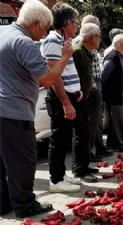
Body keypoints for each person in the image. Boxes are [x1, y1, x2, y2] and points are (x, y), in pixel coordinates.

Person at [0, 0, 72, 217]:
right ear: (34, 22)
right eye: (43, 28)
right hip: (15, 111)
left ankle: (3, 204)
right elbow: (49, 79)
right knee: (23, 160)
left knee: (3, 162)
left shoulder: (3, 32)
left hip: (2, 109)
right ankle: (25, 205)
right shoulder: (24, 43)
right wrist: (65, 57)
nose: (43, 35)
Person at [41, 2, 96, 190]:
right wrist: (66, 103)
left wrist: (78, 90)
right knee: (58, 139)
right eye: (74, 22)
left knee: (66, 138)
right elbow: (55, 76)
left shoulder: (64, 42)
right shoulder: (52, 41)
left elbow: (67, 71)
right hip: (60, 98)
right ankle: (56, 180)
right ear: (65, 23)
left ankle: (62, 175)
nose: (76, 26)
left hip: (73, 96)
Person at [78, 15, 113, 163]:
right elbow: (84, 71)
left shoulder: (91, 47)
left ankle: (95, 148)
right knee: (88, 122)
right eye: (98, 34)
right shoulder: (80, 46)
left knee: (97, 121)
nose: (99, 37)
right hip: (88, 87)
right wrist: (91, 86)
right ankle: (87, 152)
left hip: (94, 85)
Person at [71, 22, 103, 178]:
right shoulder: (77, 51)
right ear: (93, 37)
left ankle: (84, 165)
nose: (100, 40)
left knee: (85, 133)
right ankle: (79, 169)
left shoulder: (86, 51)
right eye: (99, 36)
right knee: (80, 133)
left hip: (86, 96)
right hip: (77, 98)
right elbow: (69, 74)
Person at [101, 34, 123, 153]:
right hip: (113, 94)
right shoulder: (112, 57)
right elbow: (104, 76)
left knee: (117, 120)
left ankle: (114, 143)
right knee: (117, 119)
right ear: (121, 45)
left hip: (120, 93)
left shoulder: (121, 56)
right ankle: (120, 144)